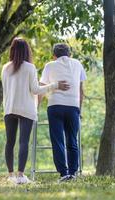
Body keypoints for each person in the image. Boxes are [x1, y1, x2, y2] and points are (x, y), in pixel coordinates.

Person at [1, 38, 69, 184]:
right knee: (24, 141)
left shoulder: (5, 67)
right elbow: (35, 90)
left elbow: (5, 90)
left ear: (12, 50)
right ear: (27, 51)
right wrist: (55, 85)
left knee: (10, 142)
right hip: (26, 107)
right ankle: (20, 175)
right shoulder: (30, 67)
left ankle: (10, 175)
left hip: (9, 107)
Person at [39, 43, 86, 182]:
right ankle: (73, 173)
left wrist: (36, 107)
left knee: (58, 140)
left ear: (54, 56)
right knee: (72, 140)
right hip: (73, 106)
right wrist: (79, 109)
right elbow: (81, 90)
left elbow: (42, 88)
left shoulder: (49, 65)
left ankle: (63, 173)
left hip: (55, 106)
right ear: (69, 54)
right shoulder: (77, 64)